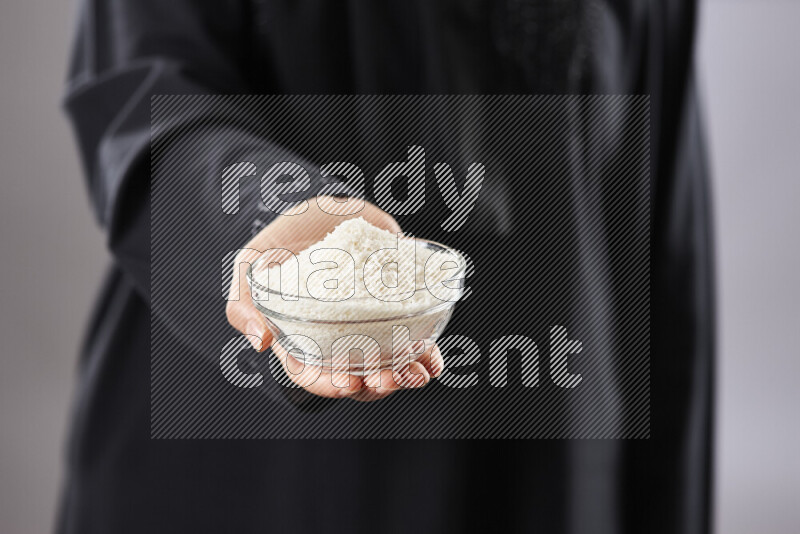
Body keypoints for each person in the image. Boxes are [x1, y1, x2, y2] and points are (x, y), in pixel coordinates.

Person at [60, 1, 714, 533]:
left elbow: (659, 263)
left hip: (550, 471)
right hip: (255, 474)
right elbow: (145, 98)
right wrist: (273, 228)